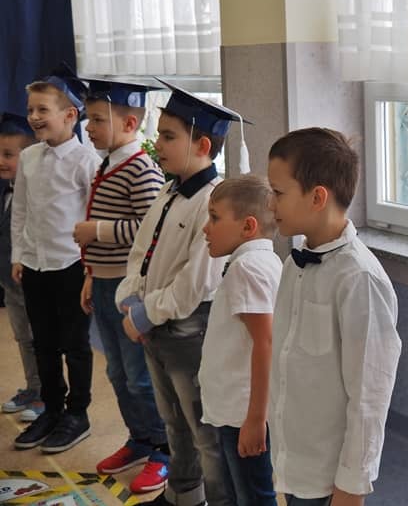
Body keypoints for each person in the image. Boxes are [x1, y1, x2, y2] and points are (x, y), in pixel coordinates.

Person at [114, 80, 241, 506]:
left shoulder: (213, 200)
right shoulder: (168, 191)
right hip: (155, 326)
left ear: (202, 145)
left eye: (168, 136)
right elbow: (140, 253)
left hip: (188, 332)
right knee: (174, 424)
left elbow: (196, 281)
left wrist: (145, 314)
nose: (158, 145)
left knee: (204, 432)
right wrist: (132, 299)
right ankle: (183, 496)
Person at [267, 127, 402, 506]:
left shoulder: (359, 278)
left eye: (278, 193)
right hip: (294, 462)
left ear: (317, 197)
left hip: (330, 478)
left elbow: (370, 393)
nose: (270, 204)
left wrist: (352, 485)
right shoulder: (293, 265)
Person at [74, 78, 169, 492]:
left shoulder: (140, 168)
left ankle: (164, 447)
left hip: (128, 292)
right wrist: (90, 274)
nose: (88, 127)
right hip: (103, 283)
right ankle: (140, 438)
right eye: (89, 118)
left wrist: (98, 230)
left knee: (139, 376)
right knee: (116, 371)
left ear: (130, 124)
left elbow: (149, 230)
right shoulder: (108, 163)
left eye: (97, 119)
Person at [12, 65, 101, 453]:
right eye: (31, 109)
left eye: (42, 110)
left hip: (70, 267)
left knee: (75, 345)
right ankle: (50, 409)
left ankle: (77, 414)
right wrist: (19, 254)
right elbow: (21, 210)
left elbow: (92, 216)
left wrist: (90, 269)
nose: (33, 116)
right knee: (42, 343)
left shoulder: (86, 161)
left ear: (70, 115)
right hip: (35, 265)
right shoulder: (29, 157)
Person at [198, 174, 281, 506]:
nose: (206, 228)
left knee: (253, 496)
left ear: (248, 226)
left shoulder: (248, 268)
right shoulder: (256, 261)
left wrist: (255, 419)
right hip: (236, 410)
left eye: (215, 218)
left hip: (242, 413)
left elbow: (266, 342)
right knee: (239, 493)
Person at [0, 111, 43, 423]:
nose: (1, 161)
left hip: (31, 281)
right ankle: (32, 387)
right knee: (23, 338)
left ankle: (46, 394)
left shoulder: (33, 195)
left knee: (39, 338)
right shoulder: (6, 189)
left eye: (8, 155)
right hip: (9, 282)